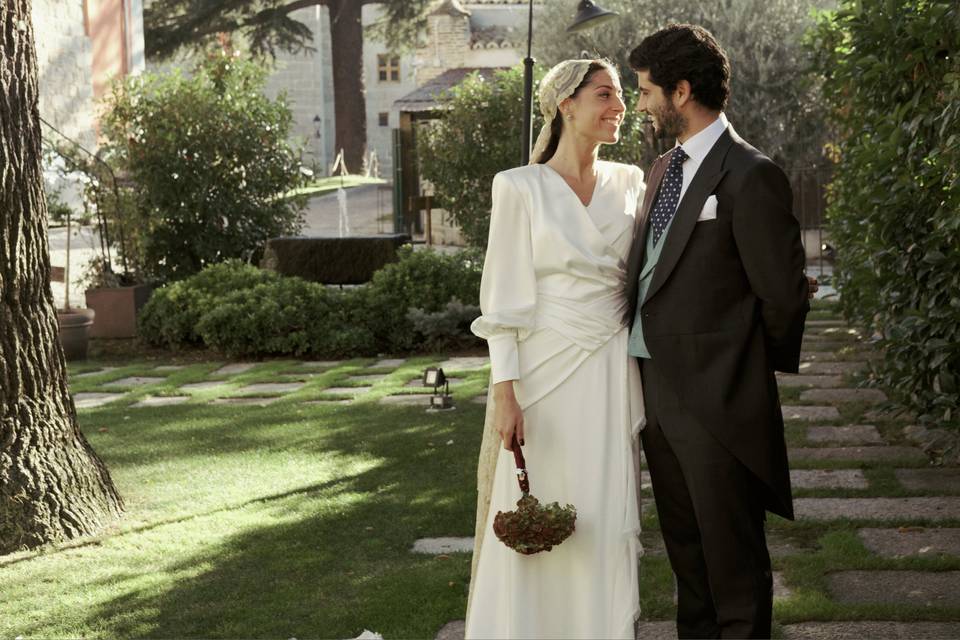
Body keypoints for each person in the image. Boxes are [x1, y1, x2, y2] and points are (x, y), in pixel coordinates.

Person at [623, 24, 809, 638]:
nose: (642, 104)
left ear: (681, 91)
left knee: (732, 563)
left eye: (648, 91)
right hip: (655, 389)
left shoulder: (751, 174)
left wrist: (744, 370)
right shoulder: (660, 169)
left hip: (719, 397)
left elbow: (781, 295)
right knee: (687, 558)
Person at [464, 59, 647, 639]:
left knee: (600, 511)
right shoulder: (518, 186)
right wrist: (505, 391)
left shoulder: (632, 181)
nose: (619, 106)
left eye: (620, 95)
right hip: (542, 376)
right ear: (565, 104)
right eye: (605, 94)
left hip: (611, 368)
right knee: (535, 505)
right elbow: (503, 302)